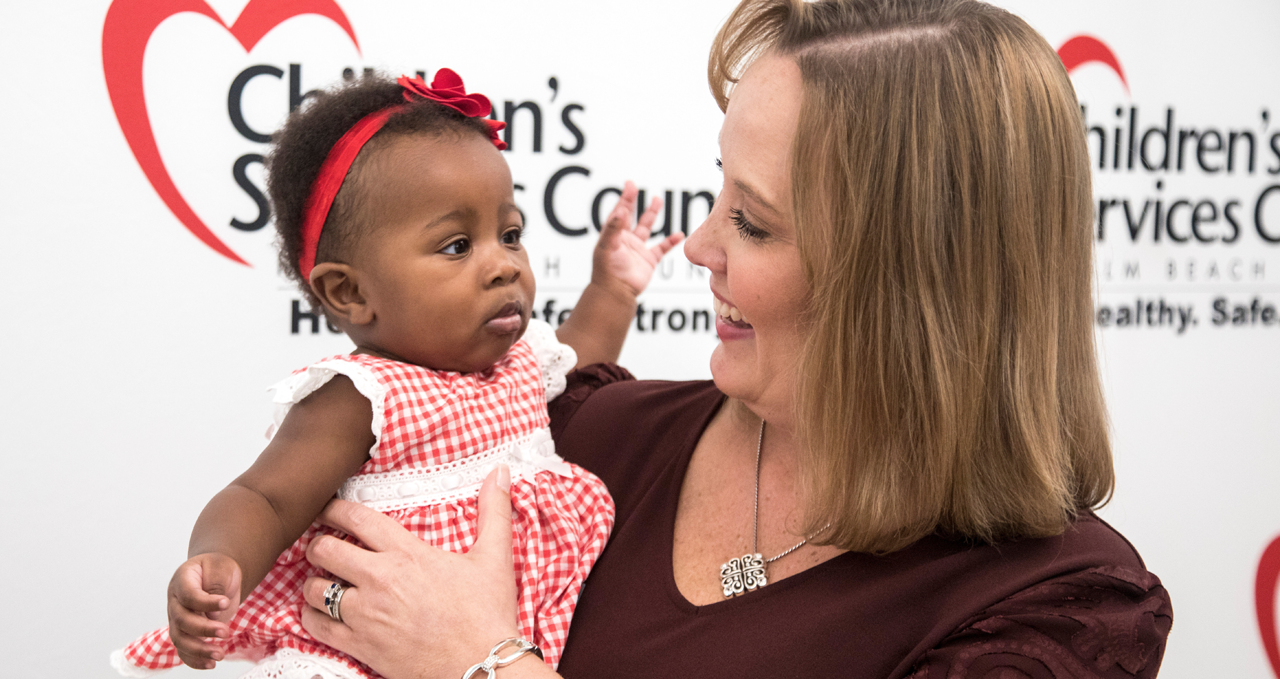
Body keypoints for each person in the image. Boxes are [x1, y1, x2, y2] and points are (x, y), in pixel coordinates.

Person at [289, 1, 1175, 677]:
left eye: (753, 222)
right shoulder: (576, 439)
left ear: (907, 284)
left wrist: (483, 660)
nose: (702, 246)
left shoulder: (1059, 610)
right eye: (720, 191)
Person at [111, 69, 682, 679]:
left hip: (506, 648)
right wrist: (218, 559)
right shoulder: (362, 396)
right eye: (457, 246)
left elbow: (582, 356)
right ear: (349, 292)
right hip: (369, 656)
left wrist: (614, 289)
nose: (502, 266)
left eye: (510, 234)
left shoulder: (518, 366)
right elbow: (266, 497)